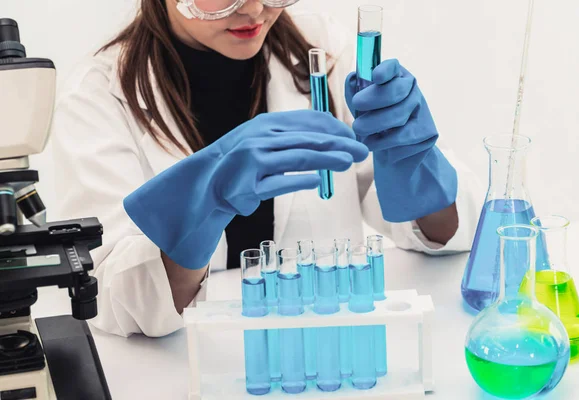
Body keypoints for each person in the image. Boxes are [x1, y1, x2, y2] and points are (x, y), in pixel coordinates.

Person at [51, 0, 482, 338]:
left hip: (333, 345)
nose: (254, 9)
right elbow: (114, 300)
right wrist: (199, 211)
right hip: (194, 370)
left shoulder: (320, 45)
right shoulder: (96, 96)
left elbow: (437, 232)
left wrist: (413, 162)